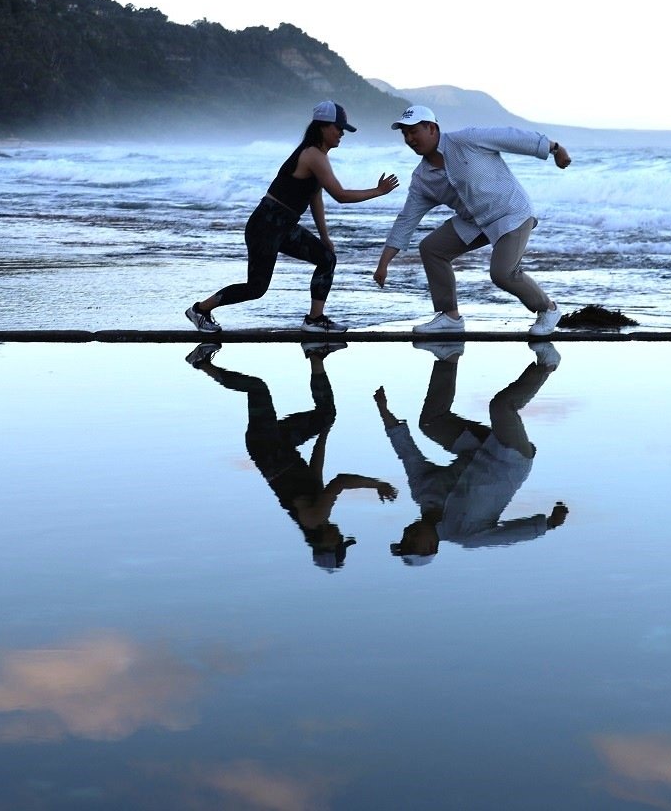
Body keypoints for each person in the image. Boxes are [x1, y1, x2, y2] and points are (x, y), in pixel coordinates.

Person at [187, 101, 400, 334]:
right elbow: (340, 195)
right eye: (338, 127)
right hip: (266, 225)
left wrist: (324, 237)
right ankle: (200, 310)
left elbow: (315, 196)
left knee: (326, 258)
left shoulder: (316, 156)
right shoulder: (312, 155)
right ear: (322, 127)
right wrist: (378, 191)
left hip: (283, 226)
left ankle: (314, 320)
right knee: (256, 288)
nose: (341, 133)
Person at [187, 341, 398, 570]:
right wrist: (324, 433)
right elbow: (315, 471)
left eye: (338, 543)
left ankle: (201, 363)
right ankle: (315, 356)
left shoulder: (315, 519)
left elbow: (340, 482)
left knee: (257, 389)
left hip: (268, 447)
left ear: (325, 544)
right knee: (326, 415)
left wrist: (376, 484)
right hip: (280, 446)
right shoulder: (312, 517)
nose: (340, 536)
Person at [372, 104, 572, 336]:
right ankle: (450, 316)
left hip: (511, 213)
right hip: (475, 222)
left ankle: (548, 309)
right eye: (404, 134)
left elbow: (512, 138)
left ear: (432, 128)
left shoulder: (467, 140)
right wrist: (384, 263)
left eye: (413, 131)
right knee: (431, 248)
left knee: (502, 273)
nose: (409, 138)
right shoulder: (422, 179)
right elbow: (406, 220)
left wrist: (555, 148)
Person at [377, 341, 568, 566]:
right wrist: (548, 524)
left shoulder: (422, 493)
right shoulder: (466, 535)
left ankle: (448, 354)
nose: (407, 535)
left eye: (403, 539)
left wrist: (384, 411)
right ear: (431, 546)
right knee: (500, 406)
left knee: (431, 423)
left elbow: (407, 454)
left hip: (476, 447)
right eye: (411, 543)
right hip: (510, 459)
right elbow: (508, 536)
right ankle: (547, 364)